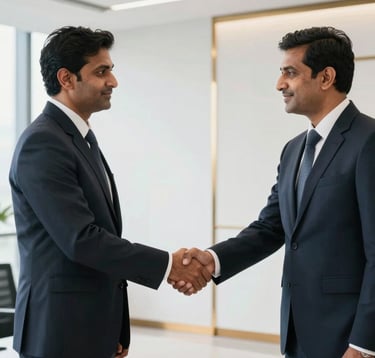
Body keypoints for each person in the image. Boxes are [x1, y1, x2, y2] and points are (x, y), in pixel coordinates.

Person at [9, 26, 211, 358]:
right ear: (67, 78)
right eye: (101, 71)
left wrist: (114, 327)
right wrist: (168, 265)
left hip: (89, 326)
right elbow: (81, 239)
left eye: (111, 71)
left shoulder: (79, 138)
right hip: (59, 332)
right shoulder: (43, 143)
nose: (113, 82)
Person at [176, 27, 375, 358]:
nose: (279, 84)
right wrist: (211, 260)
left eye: (290, 73)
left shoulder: (368, 141)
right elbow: (271, 227)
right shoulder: (294, 150)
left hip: (349, 335)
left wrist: (364, 342)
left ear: (326, 77)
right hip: (298, 330)